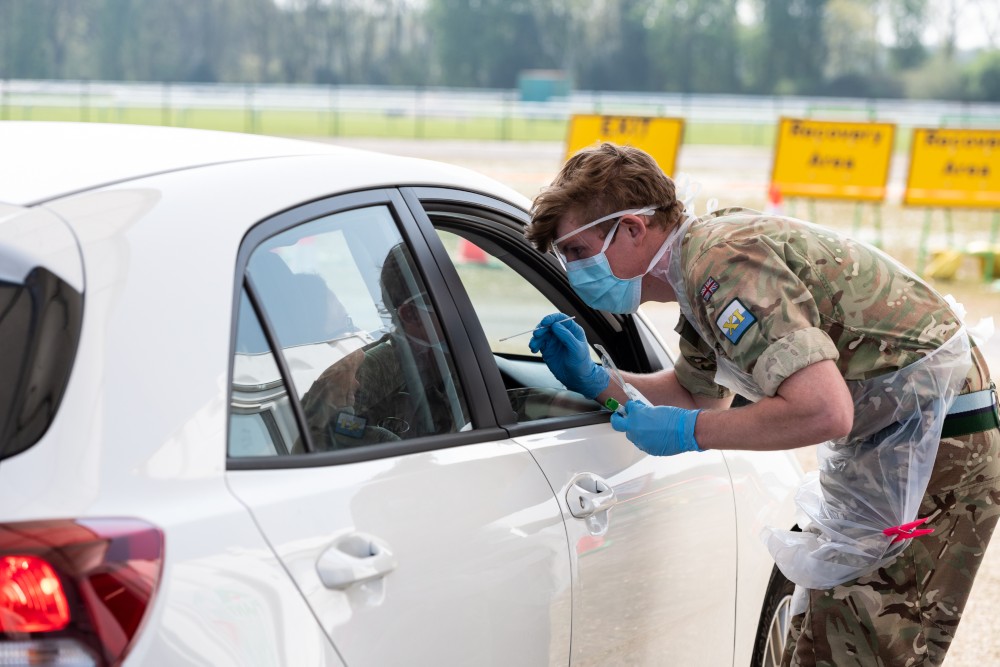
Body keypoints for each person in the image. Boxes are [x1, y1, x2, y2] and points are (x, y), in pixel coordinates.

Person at [524, 142, 1000, 666]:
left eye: (576, 252)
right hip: (899, 439)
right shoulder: (697, 271)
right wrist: (597, 381)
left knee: (862, 645)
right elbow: (694, 394)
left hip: (935, 448)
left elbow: (823, 410)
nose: (573, 273)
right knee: (825, 637)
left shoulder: (723, 264)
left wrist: (691, 432)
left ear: (634, 229)